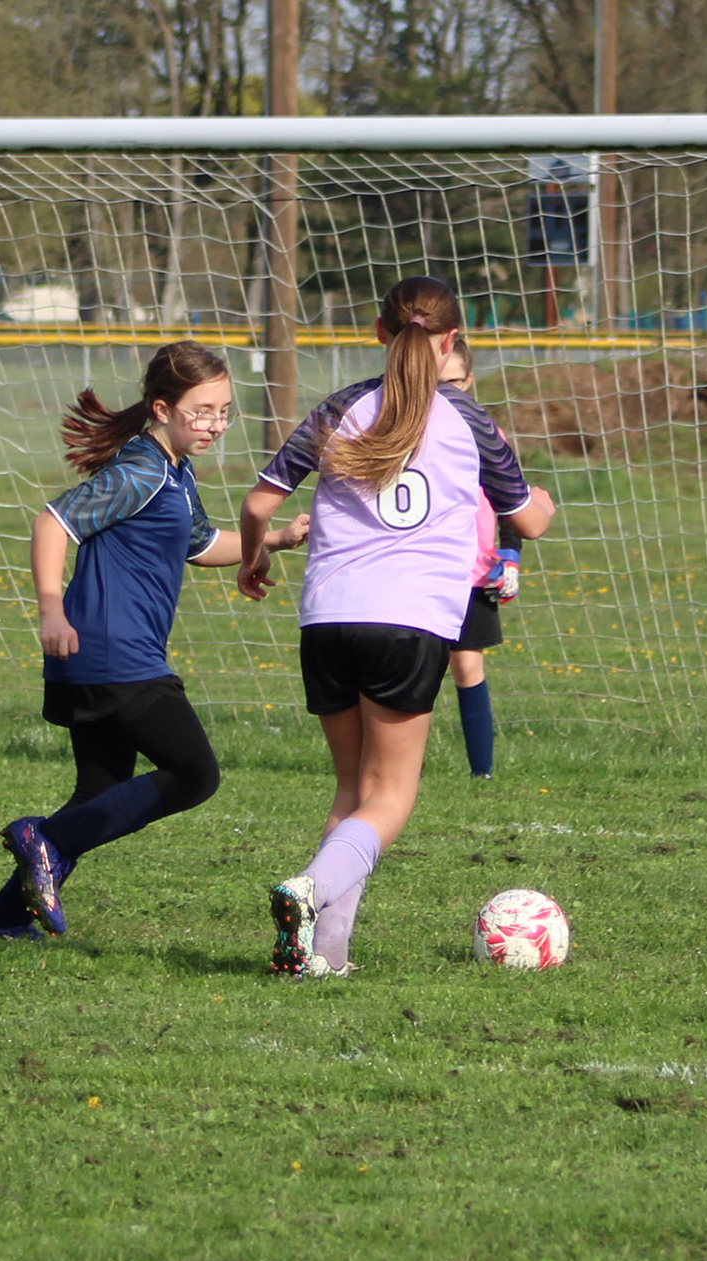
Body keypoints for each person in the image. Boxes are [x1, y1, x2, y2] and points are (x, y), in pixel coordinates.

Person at [238, 276, 555, 978]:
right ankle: (309, 887)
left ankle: (324, 955)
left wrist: (255, 558)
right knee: (388, 797)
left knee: (353, 792)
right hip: (408, 623)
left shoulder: (340, 407)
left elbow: (259, 503)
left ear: (380, 334)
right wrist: (545, 502)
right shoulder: (468, 418)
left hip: (327, 618)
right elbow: (527, 520)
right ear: (451, 342)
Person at [0, 340, 311, 942]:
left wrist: (273, 541)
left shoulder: (174, 470)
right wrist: (51, 609)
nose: (216, 424)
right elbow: (53, 522)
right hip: (113, 652)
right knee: (194, 774)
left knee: (98, 792)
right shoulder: (141, 471)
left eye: (224, 411)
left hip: (107, 656)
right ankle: (41, 838)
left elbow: (201, 545)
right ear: (162, 408)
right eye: (201, 411)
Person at [440, 336, 523, 779]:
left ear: (469, 381)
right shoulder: (407, 432)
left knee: (468, 664)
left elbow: (513, 500)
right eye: (436, 383)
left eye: (453, 382)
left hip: (474, 575)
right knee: (413, 672)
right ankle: (397, 769)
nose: (445, 392)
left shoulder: (488, 434)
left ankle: (481, 773)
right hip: (419, 571)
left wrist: (510, 554)